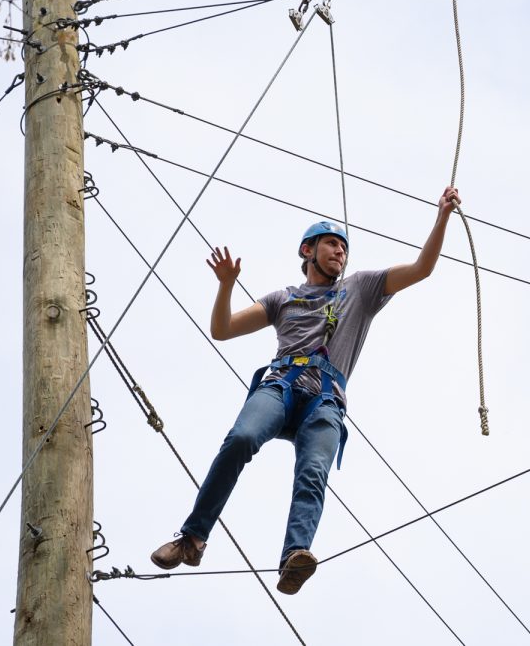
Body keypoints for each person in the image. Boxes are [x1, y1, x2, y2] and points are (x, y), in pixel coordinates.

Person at [151, 186, 460, 595]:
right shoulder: (283, 299)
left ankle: (294, 556)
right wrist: (226, 285)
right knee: (240, 439)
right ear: (307, 250)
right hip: (281, 385)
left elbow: (422, 268)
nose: (340, 252)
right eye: (331, 244)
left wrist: (441, 217)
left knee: (313, 471)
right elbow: (222, 329)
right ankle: (192, 538)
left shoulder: (361, 288)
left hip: (325, 400)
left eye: (343, 248)